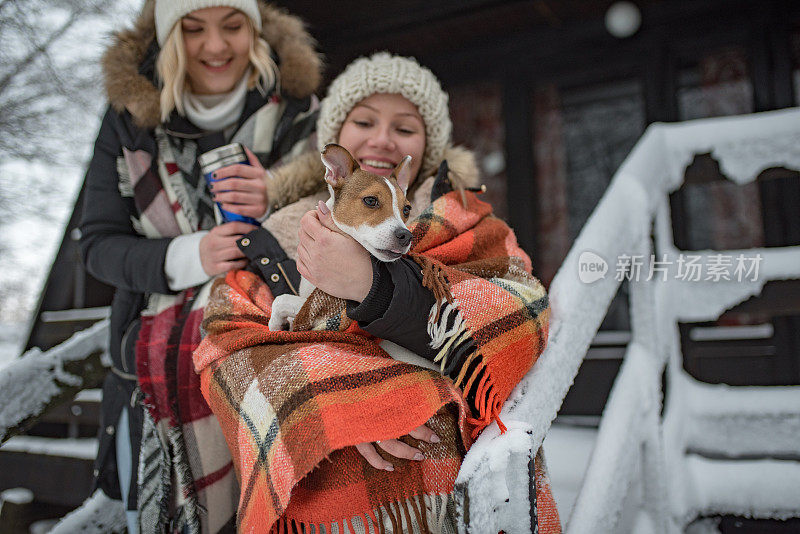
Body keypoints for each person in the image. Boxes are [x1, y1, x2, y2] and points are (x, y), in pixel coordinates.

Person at [195, 52, 561, 533]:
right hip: (323, 498)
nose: (382, 138)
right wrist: (348, 399)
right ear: (335, 155)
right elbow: (226, 350)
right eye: (364, 120)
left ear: (426, 146)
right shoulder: (274, 237)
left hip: (453, 495)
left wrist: (374, 286)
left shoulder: (470, 224)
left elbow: (518, 317)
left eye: (404, 127)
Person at [78, 0, 322, 531]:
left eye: (232, 26)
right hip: (150, 381)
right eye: (193, 29)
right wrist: (188, 256)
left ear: (254, 30)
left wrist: (277, 197)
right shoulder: (128, 122)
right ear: (168, 38)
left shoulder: (303, 112)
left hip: (275, 372)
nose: (215, 47)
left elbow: (337, 226)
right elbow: (96, 244)